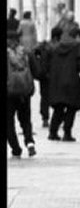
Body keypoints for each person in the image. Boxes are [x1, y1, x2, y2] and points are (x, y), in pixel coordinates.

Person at [47, 25, 80, 141]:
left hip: (57, 82)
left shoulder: (56, 47)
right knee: (71, 107)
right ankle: (67, 133)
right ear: (77, 36)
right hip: (72, 81)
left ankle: (52, 132)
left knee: (58, 107)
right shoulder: (78, 47)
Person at [7, 28, 37, 157]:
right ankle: (29, 142)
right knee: (25, 119)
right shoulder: (26, 53)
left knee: (8, 122)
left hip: (8, 93)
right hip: (24, 91)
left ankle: (16, 148)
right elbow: (36, 71)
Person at [33, 26, 62, 128]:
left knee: (44, 97)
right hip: (52, 76)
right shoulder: (56, 47)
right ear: (57, 37)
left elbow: (35, 52)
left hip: (44, 76)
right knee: (56, 97)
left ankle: (45, 118)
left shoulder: (44, 46)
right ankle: (55, 118)